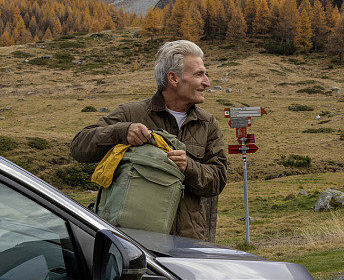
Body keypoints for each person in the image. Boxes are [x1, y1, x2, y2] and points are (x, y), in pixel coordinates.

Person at [71, 40, 228, 242]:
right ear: (174, 78)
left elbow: (218, 180)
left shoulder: (208, 124)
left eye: (205, 74)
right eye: (199, 74)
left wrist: (188, 166)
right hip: (131, 242)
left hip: (187, 242)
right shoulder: (131, 113)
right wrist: (121, 131)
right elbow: (78, 147)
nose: (207, 82)